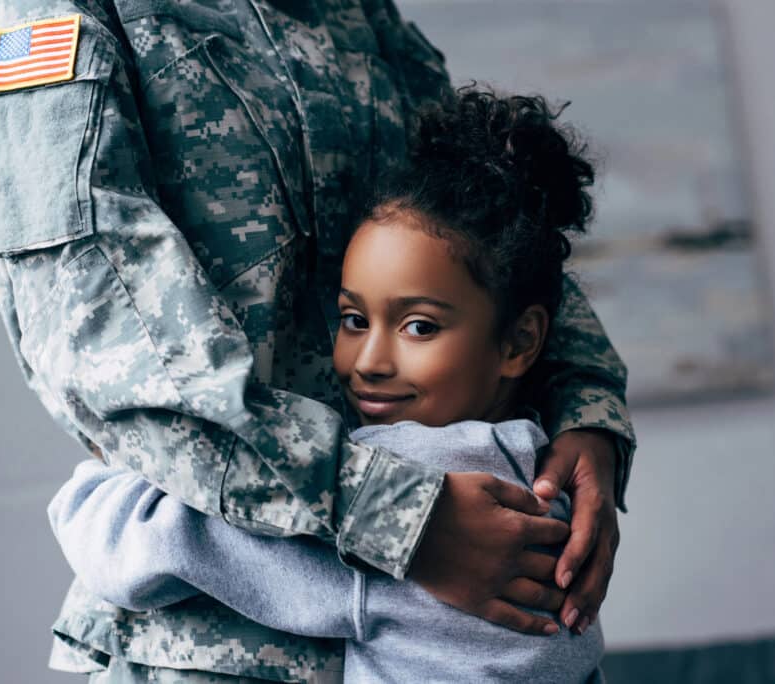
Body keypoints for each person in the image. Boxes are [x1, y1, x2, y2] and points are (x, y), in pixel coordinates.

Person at [0, 1, 634, 681]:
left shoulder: (357, 11)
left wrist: (588, 411)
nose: (372, 356)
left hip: (429, 577)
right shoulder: (61, 11)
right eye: (359, 321)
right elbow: (95, 320)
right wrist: (397, 514)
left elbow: (488, 225)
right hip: (216, 648)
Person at [51, 89, 609, 683]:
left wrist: (106, 475)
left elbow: (132, 543)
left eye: (418, 326)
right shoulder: (549, 482)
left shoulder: (421, 496)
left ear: (521, 342)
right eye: (353, 320)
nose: (369, 361)